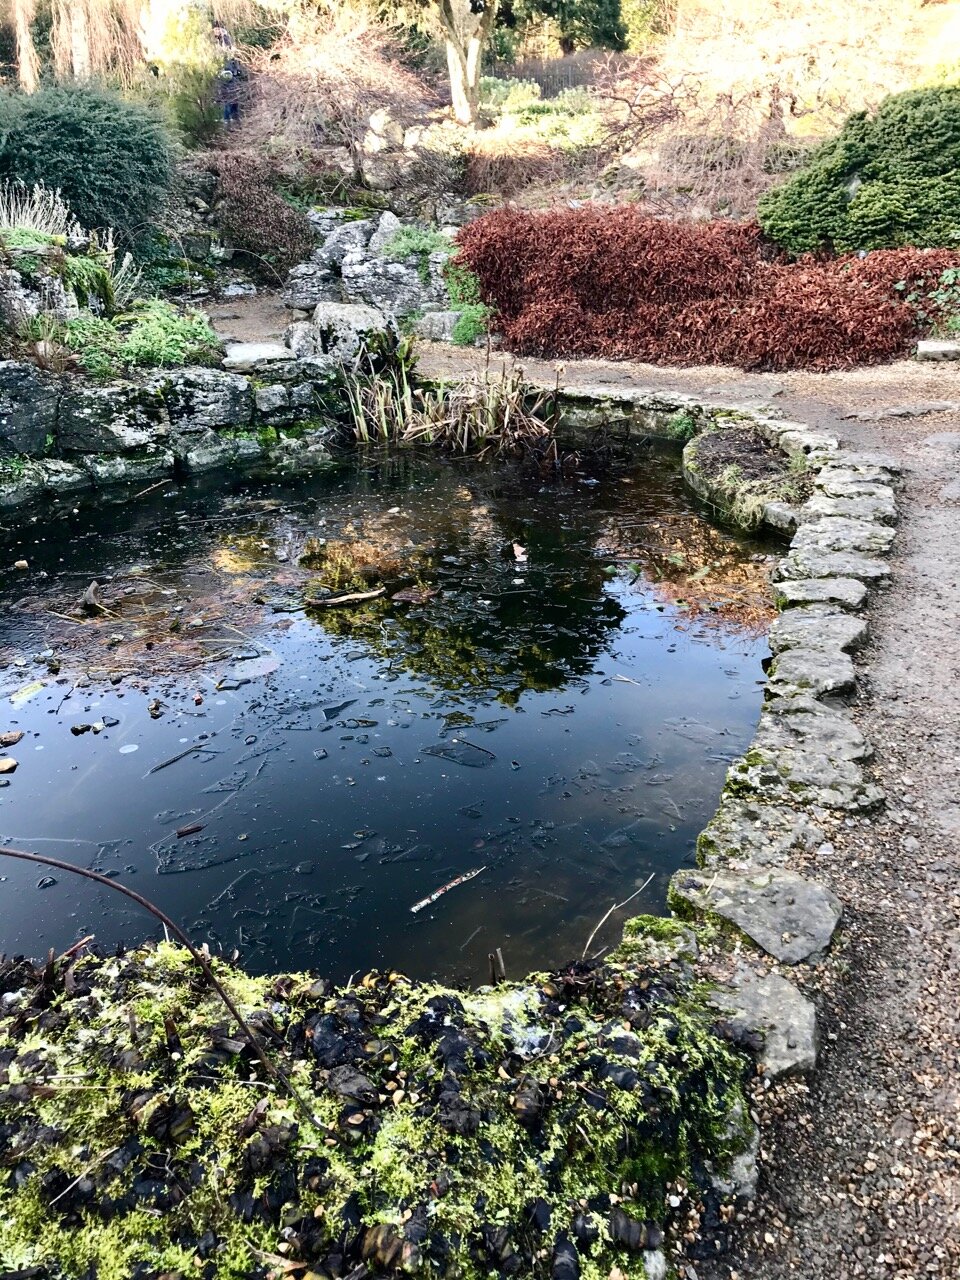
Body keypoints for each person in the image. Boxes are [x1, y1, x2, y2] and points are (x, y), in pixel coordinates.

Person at [212, 23, 242, 126]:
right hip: (227, 72)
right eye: (214, 30)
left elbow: (231, 55)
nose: (215, 32)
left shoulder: (225, 40)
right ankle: (232, 119)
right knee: (229, 97)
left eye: (217, 29)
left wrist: (236, 69)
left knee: (230, 97)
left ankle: (230, 119)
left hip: (228, 72)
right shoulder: (217, 41)